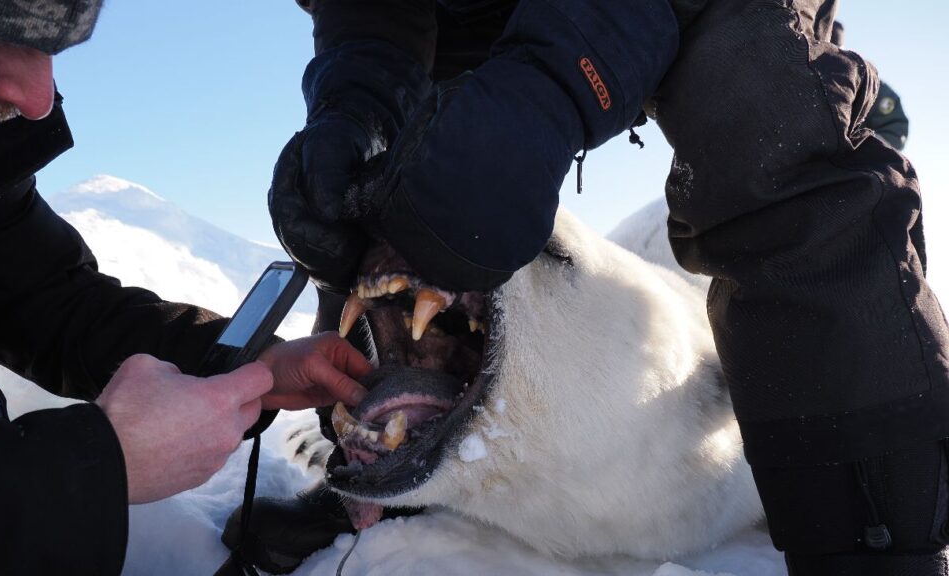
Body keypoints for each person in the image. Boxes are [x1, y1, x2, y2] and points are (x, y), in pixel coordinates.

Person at [259, 0, 949, 575]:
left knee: (769, 129)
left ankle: (874, 539)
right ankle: (390, 458)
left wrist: (554, 86)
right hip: (464, 16)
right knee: (394, 202)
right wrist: (357, 103)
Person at [0, 2, 371, 575]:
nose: (38, 99)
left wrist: (247, 367)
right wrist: (88, 467)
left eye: (50, 50)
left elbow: (50, 302)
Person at [831, 20, 910, 152]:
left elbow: (893, 129)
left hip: (851, 166)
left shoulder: (867, 84)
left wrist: (861, 151)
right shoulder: (793, 74)